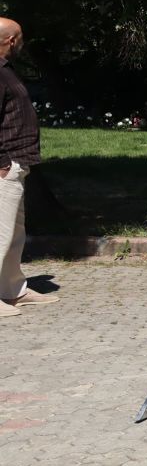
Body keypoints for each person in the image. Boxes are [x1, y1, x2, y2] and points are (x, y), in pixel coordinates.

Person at [0, 18, 55, 319]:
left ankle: (13, 290)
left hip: (17, 162)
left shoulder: (5, 69)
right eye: (20, 37)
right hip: (4, 165)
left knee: (13, 232)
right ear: (11, 40)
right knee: (1, 231)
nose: (22, 43)